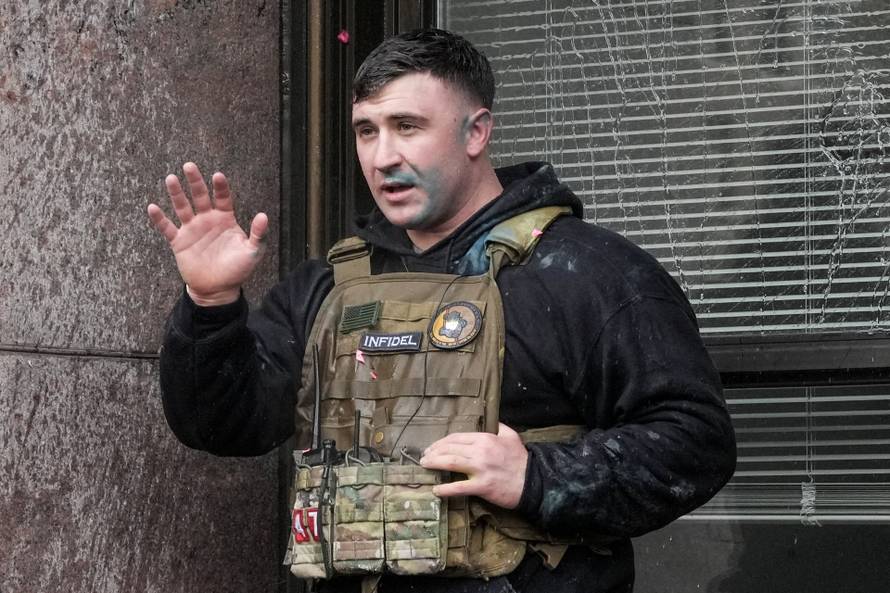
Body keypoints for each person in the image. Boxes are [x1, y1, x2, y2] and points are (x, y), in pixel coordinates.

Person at [147, 28, 736, 593]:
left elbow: (695, 443)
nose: (382, 157)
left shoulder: (588, 273)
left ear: (476, 132)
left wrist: (538, 477)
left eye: (408, 126)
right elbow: (221, 426)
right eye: (366, 131)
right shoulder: (330, 287)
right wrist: (212, 305)